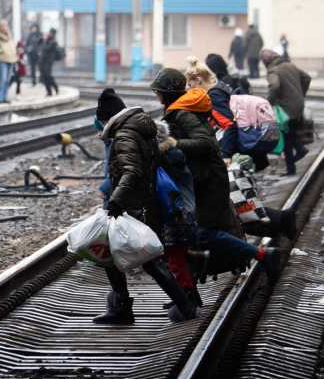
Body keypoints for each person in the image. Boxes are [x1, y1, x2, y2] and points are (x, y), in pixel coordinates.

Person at [150, 67, 285, 282]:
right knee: (199, 232)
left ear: (167, 93)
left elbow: (206, 142)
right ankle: (190, 285)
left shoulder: (183, 113)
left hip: (209, 179)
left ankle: (263, 254)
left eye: (158, 92)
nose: (156, 96)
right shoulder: (179, 110)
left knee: (202, 232)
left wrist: (175, 143)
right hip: (203, 178)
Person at [90, 88, 198, 325]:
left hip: (133, 205)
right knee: (149, 260)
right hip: (148, 203)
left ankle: (124, 309)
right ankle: (184, 306)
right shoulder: (141, 128)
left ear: (106, 118)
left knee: (113, 253)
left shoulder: (124, 135)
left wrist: (116, 200)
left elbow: (131, 171)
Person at [262, 48, 310, 175]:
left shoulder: (273, 71)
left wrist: (268, 103)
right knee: (290, 134)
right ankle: (300, 150)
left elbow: (275, 86)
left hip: (285, 108)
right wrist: (300, 94)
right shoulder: (290, 65)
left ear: (265, 62)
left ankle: (291, 169)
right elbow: (307, 78)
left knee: (287, 138)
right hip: (298, 105)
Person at [0, 21, 18, 104]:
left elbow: (13, 46)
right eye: (3, 26)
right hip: (3, 60)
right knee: (3, 79)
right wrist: (2, 50)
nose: (5, 27)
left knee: (7, 80)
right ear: (0, 27)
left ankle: (4, 97)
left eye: (6, 25)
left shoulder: (10, 36)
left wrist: (15, 54)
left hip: (12, 59)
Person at [38, 27, 62, 96]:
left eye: (50, 33)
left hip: (48, 62)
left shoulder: (53, 41)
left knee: (48, 76)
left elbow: (46, 48)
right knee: (44, 77)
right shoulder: (46, 40)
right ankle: (49, 92)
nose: (49, 34)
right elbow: (38, 43)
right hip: (42, 61)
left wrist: (45, 40)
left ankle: (55, 87)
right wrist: (42, 39)